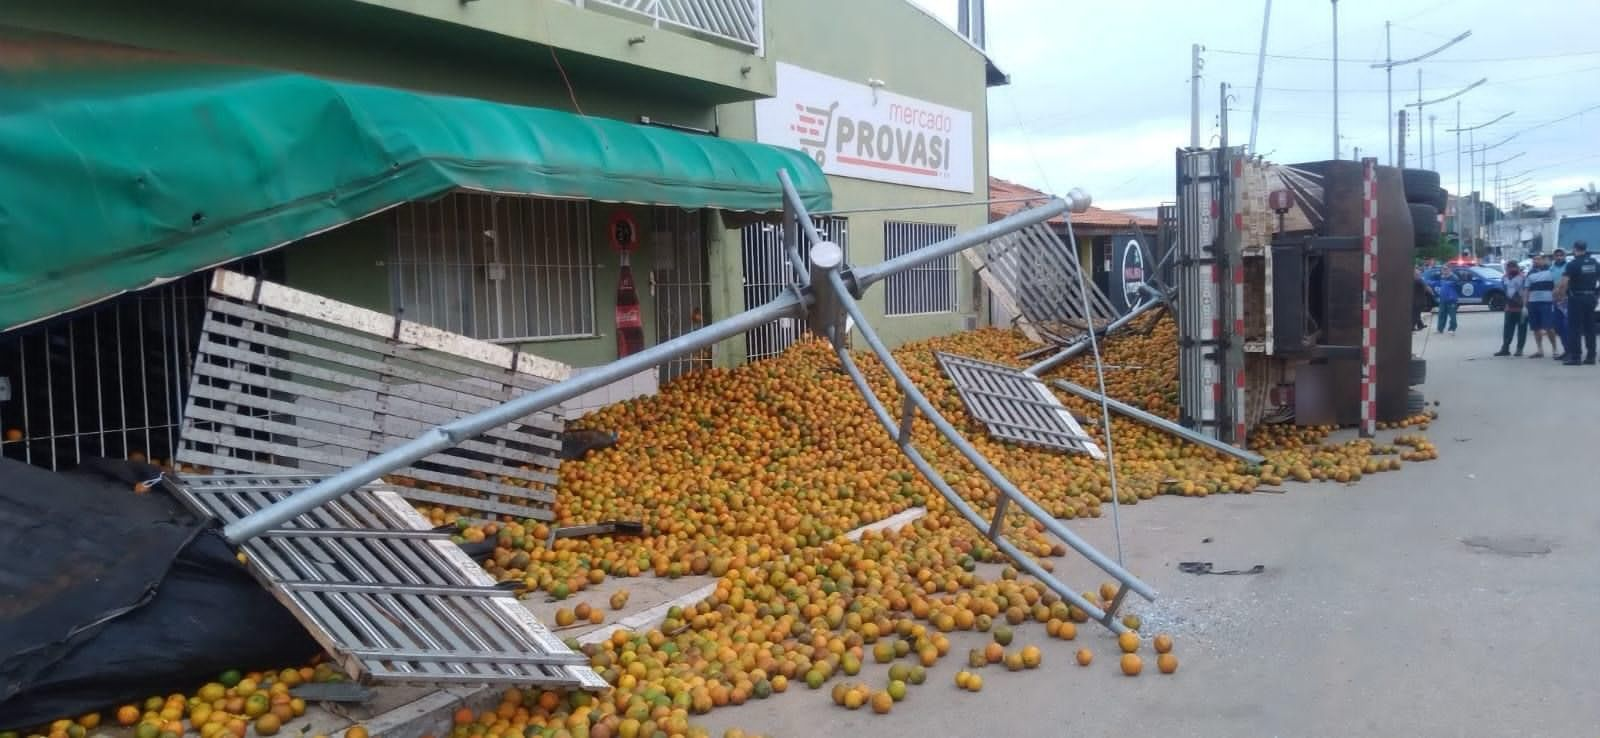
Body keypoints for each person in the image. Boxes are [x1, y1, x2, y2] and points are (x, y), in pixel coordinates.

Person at [1556, 240, 1600, 365]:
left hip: (1576, 298)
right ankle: (1591, 357)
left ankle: (1576, 357)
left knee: (1574, 328)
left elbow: (1564, 283)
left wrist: (1560, 296)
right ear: (1585, 248)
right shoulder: (1595, 263)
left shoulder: (1573, 264)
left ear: (1575, 249)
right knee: (1590, 328)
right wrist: (1596, 294)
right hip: (1590, 298)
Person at [1525, 253, 1559, 358]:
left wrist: (1555, 299)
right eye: (1534, 259)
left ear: (1543, 260)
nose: (1536, 261)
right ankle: (1540, 350)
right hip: (1533, 303)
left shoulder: (1551, 271)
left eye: (1538, 259)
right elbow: (1526, 289)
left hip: (1547, 303)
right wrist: (1525, 304)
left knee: (1549, 327)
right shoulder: (1530, 273)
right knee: (1536, 328)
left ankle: (1555, 349)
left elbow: (1556, 286)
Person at [1495, 260, 1528, 356]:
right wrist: (1505, 304)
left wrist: (1525, 305)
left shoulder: (1523, 278)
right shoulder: (1504, 278)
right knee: (1507, 329)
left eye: (1513, 267)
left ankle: (1519, 349)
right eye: (1509, 267)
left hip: (1521, 307)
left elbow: (1526, 291)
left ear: (1517, 267)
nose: (1511, 269)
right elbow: (1504, 292)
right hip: (1509, 307)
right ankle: (1505, 348)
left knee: (1522, 329)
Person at [1549, 249, 1571, 359]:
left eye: (1561, 255)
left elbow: (1566, 282)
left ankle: (1571, 351)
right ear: (1554, 257)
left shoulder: (1569, 267)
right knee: (1558, 326)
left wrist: (1560, 292)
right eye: (1557, 255)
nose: (1559, 257)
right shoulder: (1551, 269)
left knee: (1567, 326)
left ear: (1565, 256)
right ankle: (1566, 350)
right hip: (1555, 299)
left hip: (1566, 299)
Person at [1434, 265, 1461, 335]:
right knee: (1441, 314)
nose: (1444, 270)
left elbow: (1459, 288)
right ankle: (1440, 329)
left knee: (1452, 315)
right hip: (1443, 299)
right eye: (1443, 269)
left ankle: (1452, 329)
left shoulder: (1454, 278)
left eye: (1446, 269)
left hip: (1451, 300)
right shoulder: (1442, 277)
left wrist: (1454, 296)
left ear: (1449, 269)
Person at [1411, 267, 1435, 331]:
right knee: (1416, 314)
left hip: (1416, 301)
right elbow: (1427, 288)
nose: (1419, 275)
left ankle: (1416, 326)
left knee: (1415, 314)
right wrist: (1432, 293)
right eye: (1418, 274)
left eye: (1419, 274)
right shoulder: (1418, 280)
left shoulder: (1416, 280)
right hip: (1418, 301)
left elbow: (1427, 288)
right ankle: (1417, 326)